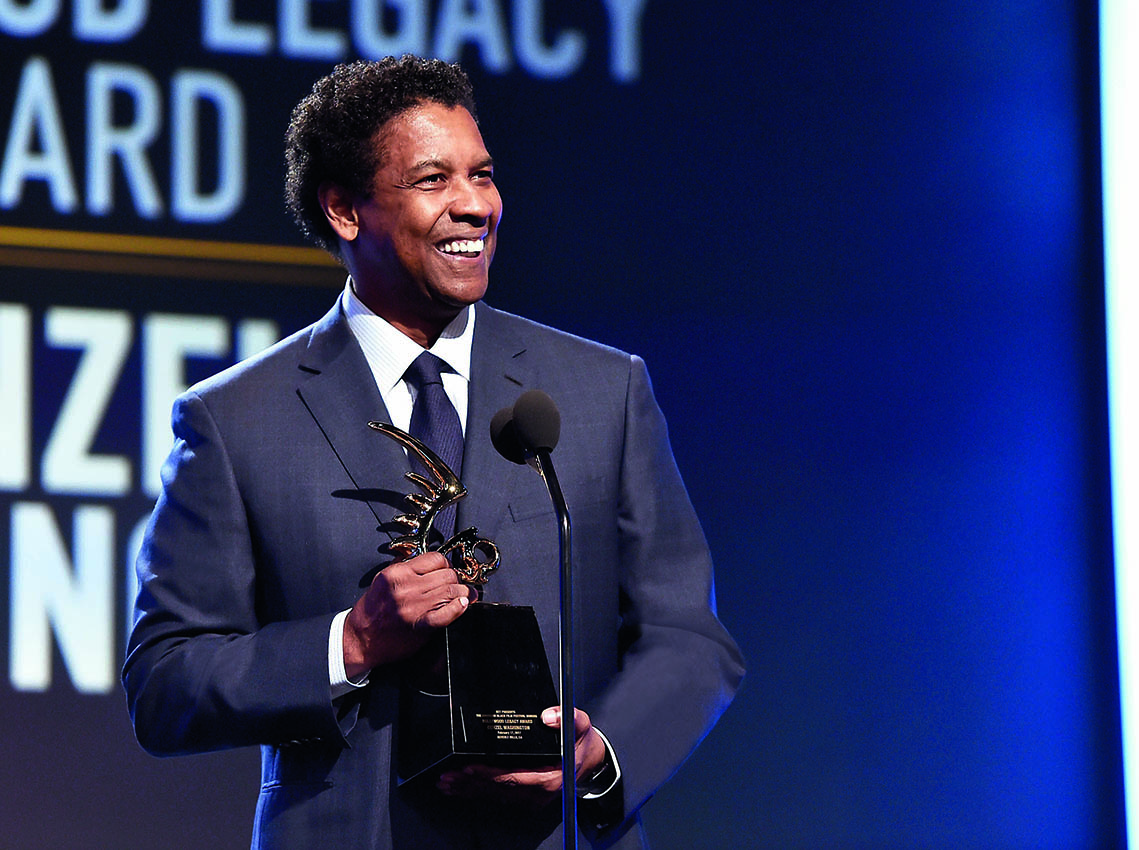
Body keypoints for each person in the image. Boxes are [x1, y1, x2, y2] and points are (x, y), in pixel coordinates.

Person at [123, 55, 744, 849]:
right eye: (433, 180)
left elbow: (688, 635)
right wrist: (350, 641)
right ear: (345, 210)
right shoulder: (235, 421)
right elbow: (166, 683)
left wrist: (602, 756)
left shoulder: (602, 392)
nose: (474, 206)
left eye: (482, 175)